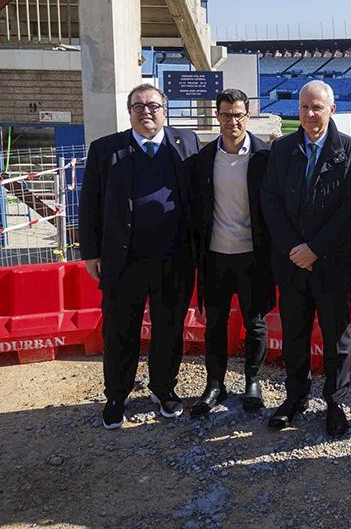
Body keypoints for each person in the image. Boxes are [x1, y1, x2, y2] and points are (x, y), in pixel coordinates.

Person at [80, 83, 200, 429]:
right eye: (139, 106)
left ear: (165, 110)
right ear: (130, 111)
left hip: (174, 260)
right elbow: (89, 203)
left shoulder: (186, 142)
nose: (146, 111)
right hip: (123, 261)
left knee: (169, 328)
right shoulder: (106, 149)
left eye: (153, 106)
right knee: (120, 330)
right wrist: (90, 253)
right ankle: (116, 396)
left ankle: (163, 389)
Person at [260, 79, 351, 438]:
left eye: (317, 107)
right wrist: (296, 248)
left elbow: (350, 209)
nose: (309, 114)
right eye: (304, 107)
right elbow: (270, 201)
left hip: (333, 264)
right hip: (293, 263)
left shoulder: (350, 150)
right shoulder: (282, 149)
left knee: (337, 339)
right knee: (295, 334)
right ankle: (295, 398)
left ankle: (336, 403)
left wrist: (315, 249)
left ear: (332, 109)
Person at [189, 88, 274, 416]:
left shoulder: (265, 157)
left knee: (255, 323)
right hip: (215, 256)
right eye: (226, 115)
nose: (232, 121)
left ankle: (253, 381)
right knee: (215, 324)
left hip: (253, 255)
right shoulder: (204, 159)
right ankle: (215, 384)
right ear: (217, 117)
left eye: (238, 115)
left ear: (248, 116)